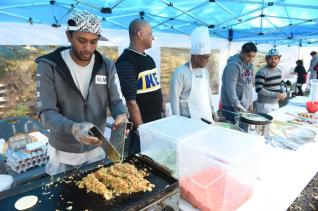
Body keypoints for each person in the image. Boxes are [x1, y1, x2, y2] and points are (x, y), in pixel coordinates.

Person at [35, 10, 128, 175]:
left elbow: (116, 101)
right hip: (63, 154)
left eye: (94, 42)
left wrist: (121, 114)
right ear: (69, 36)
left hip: (97, 149)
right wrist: (73, 128)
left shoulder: (106, 65)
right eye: (82, 40)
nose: (88, 48)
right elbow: (46, 112)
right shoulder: (49, 65)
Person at [115, 19, 165, 154]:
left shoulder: (149, 59)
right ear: (140, 35)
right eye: (150, 34)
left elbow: (156, 87)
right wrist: (142, 131)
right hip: (142, 128)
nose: (153, 37)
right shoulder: (125, 62)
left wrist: (163, 108)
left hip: (157, 123)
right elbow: (131, 102)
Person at [169, 26, 217, 123]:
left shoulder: (205, 72)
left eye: (209, 57)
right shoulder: (180, 72)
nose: (208, 61)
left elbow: (208, 93)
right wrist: (177, 121)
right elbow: (174, 99)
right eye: (205, 57)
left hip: (206, 118)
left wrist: (213, 111)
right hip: (188, 121)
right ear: (195, 56)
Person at [220, 42, 257, 123]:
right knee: (232, 130)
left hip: (243, 106)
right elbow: (230, 88)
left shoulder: (250, 66)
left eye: (253, 56)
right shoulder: (233, 65)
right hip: (231, 106)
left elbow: (249, 85)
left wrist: (250, 102)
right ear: (242, 53)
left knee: (241, 129)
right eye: (249, 56)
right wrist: (237, 104)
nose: (251, 59)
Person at [255, 49, 286, 113]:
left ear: (279, 59)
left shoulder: (279, 71)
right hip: (264, 105)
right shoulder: (262, 72)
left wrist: (283, 92)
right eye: (270, 58)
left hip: (275, 103)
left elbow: (279, 84)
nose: (273, 60)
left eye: (276, 58)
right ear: (266, 59)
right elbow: (259, 89)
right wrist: (275, 94)